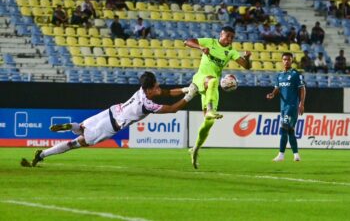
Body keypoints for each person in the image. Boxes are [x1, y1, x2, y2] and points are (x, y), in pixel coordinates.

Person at [21, 72, 198, 167]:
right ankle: (43, 154)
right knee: (76, 143)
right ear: (150, 89)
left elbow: (167, 92)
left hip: (110, 112)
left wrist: (185, 89)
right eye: (156, 86)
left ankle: (73, 126)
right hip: (110, 125)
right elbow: (173, 109)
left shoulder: (141, 91)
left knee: (83, 127)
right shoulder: (147, 106)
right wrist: (189, 97)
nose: (159, 87)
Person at [184, 26, 251, 169]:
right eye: (227, 36)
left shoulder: (231, 51)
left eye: (232, 37)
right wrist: (200, 47)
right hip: (201, 78)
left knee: (209, 123)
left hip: (211, 89)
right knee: (213, 80)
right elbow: (187, 41)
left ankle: (195, 148)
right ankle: (209, 109)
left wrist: (247, 58)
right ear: (221, 34)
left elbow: (246, 66)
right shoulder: (210, 42)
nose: (229, 39)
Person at [266, 52, 306, 162]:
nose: (286, 61)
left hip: (292, 106)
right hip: (283, 107)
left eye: (288, 59)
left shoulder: (295, 74)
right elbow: (277, 88)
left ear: (292, 60)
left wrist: (301, 104)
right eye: (284, 59)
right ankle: (296, 155)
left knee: (283, 128)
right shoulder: (279, 75)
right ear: (282, 61)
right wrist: (273, 94)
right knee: (290, 131)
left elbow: (302, 89)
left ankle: (281, 155)